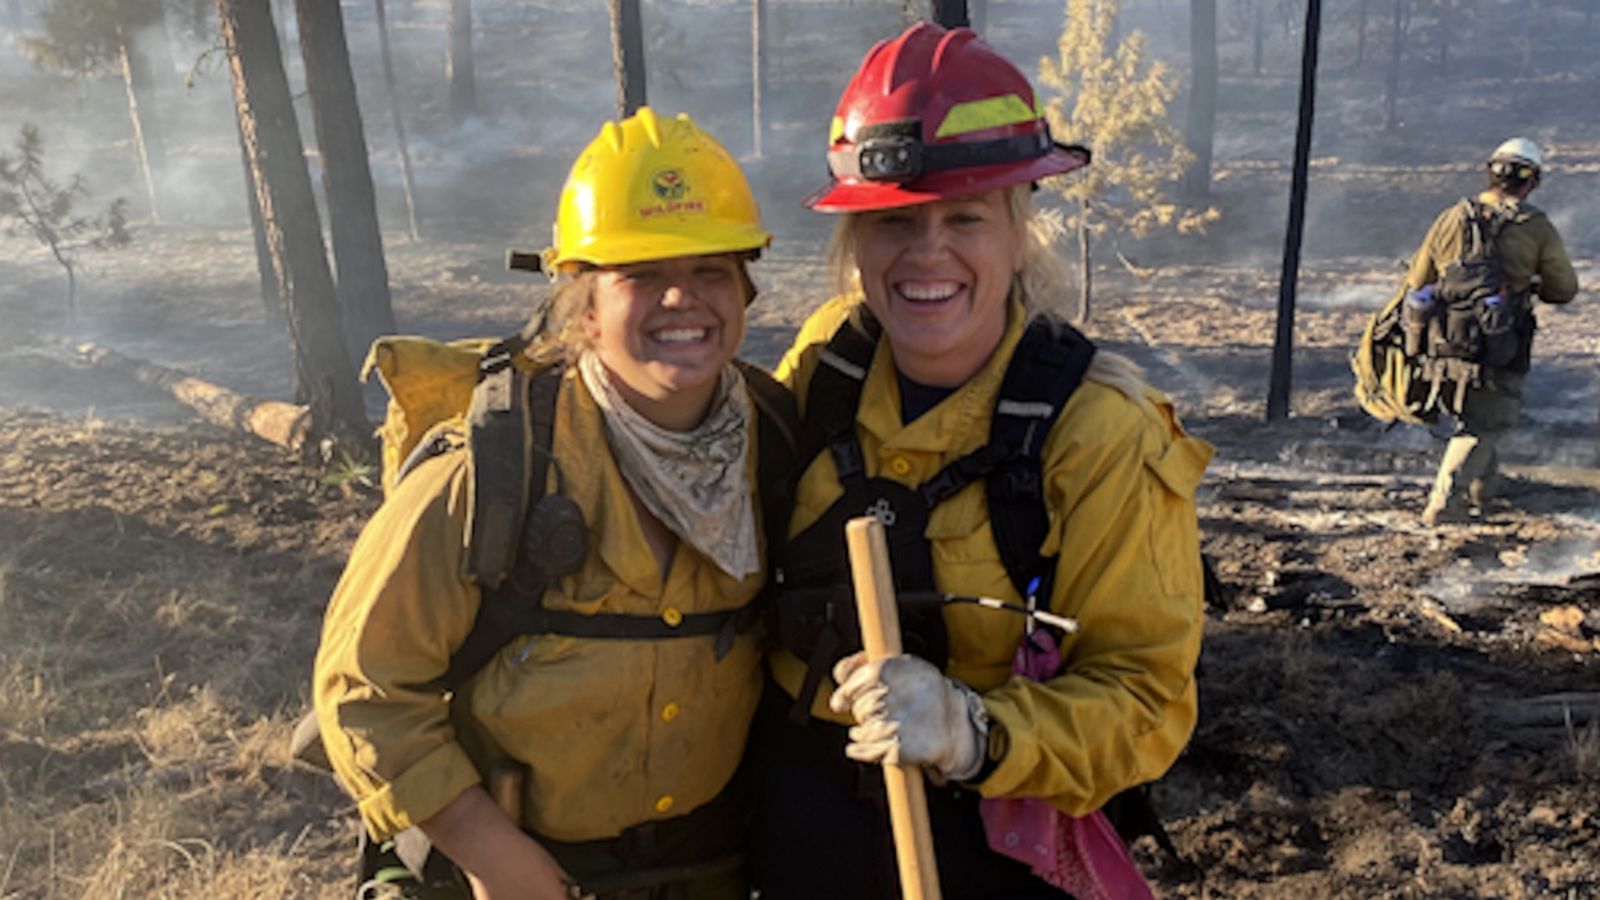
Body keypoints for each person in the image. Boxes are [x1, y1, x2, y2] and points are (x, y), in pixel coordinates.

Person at [749, 23, 1212, 899]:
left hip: (986, 836)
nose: (928, 253)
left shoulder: (1099, 429)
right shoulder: (826, 365)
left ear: (1017, 231)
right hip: (800, 816)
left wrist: (970, 731)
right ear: (855, 245)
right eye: (894, 223)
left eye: (964, 217)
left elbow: (1145, 700)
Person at [313, 107, 792, 900]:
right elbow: (363, 689)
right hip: (512, 869)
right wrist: (495, 857)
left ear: (745, 289)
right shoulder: (494, 470)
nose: (684, 297)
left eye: (712, 269)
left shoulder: (776, 444)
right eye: (640, 274)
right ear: (586, 308)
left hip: (710, 866)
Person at [1409, 137, 1578, 526]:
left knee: (1475, 415)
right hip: (1499, 343)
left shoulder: (1452, 217)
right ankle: (1444, 502)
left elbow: (1419, 278)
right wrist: (1527, 284)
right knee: (1487, 421)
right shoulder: (1535, 227)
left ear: (1490, 173)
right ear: (1532, 182)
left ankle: (1485, 486)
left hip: (1444, 340)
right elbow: (1564, 289)